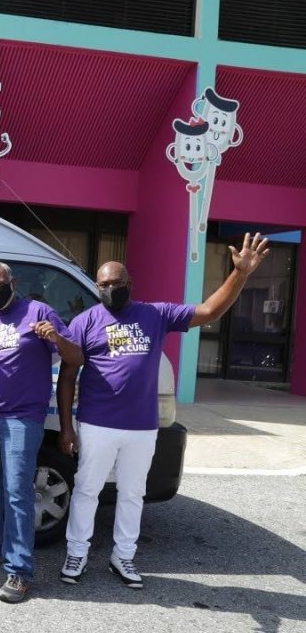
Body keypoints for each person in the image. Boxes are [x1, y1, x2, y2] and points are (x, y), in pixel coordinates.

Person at [57, 233, 270, 589]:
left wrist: (241, 274)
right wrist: (67, 427)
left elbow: (209, 311)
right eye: (104, 284)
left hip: (141, 427)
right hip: (96, 423)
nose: (111, 289)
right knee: (86, 490)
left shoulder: (154, 314)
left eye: (117, 283)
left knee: (131, 493)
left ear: (130, 284)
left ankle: (123, 556)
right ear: (97, 287)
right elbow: (67, 378)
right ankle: (76, 551)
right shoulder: (85, 322)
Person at [0, 261, 83, 603]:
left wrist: (55, 338)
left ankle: (20, 571)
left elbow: (75, 356)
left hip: (23, 418)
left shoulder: (39, 312)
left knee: (18, 494)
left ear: (13, 282)